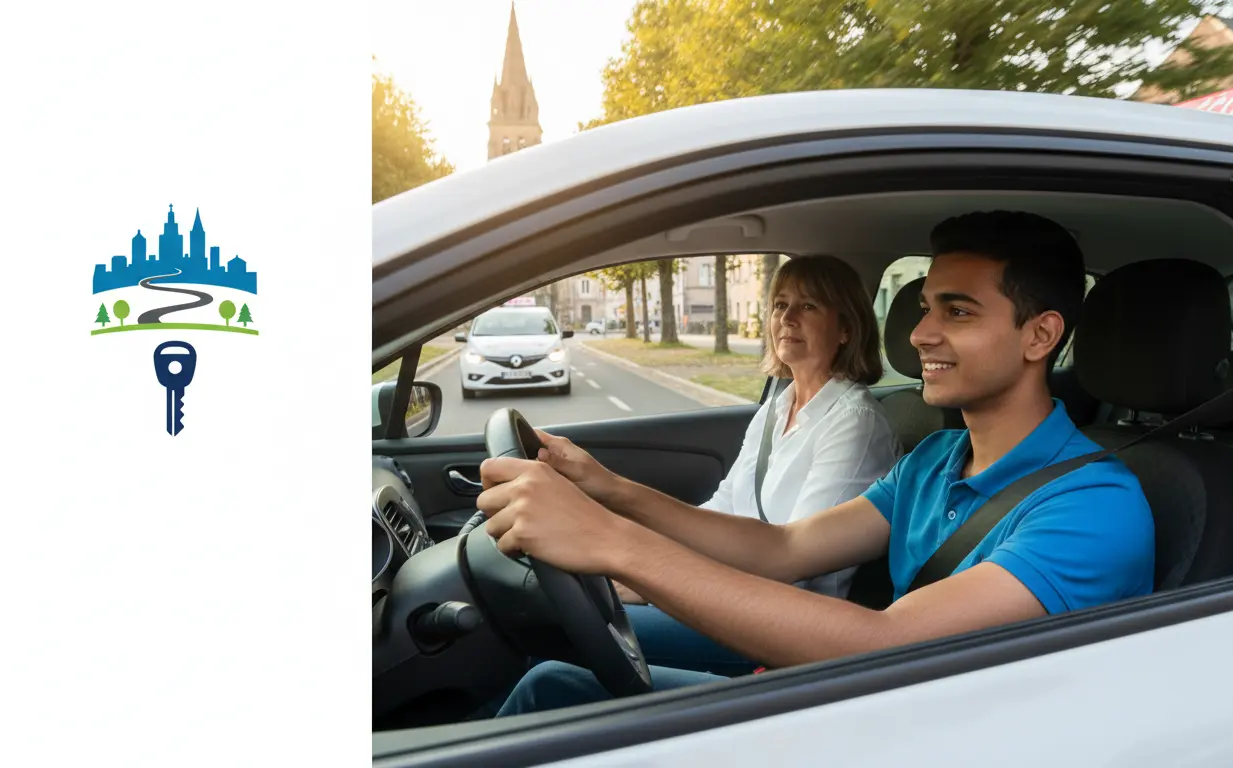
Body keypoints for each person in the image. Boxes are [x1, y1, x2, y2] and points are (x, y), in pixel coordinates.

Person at [479, 211, 1156, 716]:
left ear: (1040, 335)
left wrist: (612, 546)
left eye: (958, 311)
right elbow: (784, 546)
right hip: (863, 703)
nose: (919, 334)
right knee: (551, 688)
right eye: (924, 308)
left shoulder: (1095, 505)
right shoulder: (936, 457)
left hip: (932, 730)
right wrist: (610, 491)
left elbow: (886, 642)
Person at [541, 254, 899, 676]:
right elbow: (724, 505)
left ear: (846, 329)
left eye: (809, 306)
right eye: (780, 305)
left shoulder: (855, 424)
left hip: (777, 624)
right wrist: (648, 572)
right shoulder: (777, 407)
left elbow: (794, 568)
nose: (788, 318)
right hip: (730, 592)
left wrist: (654, 580)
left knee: (564, 633)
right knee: (565, 617)